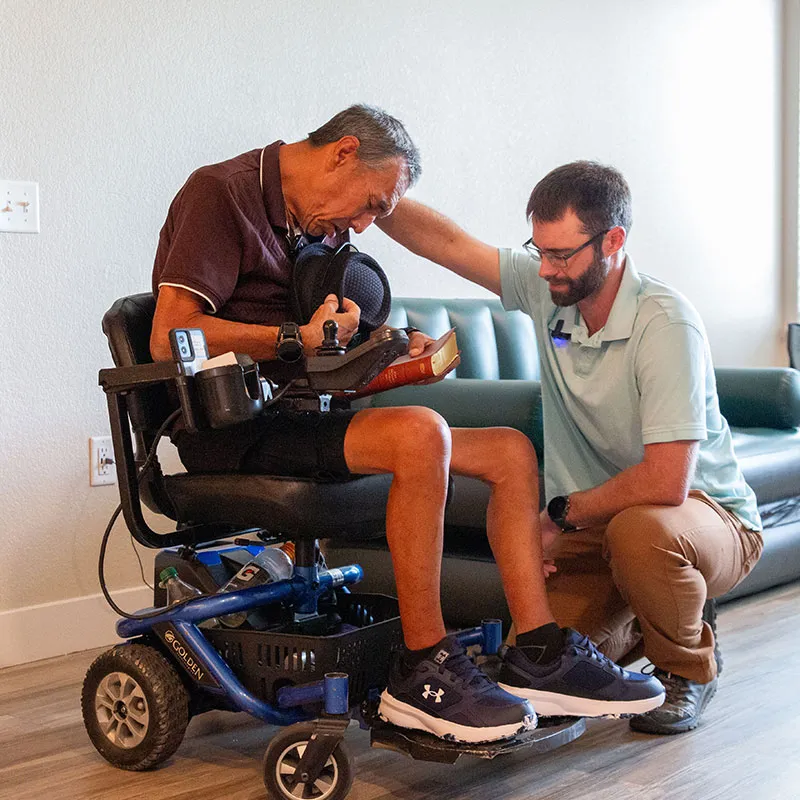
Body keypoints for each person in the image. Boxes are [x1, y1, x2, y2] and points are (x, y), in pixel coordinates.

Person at [150, 109, 664, 743]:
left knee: (507, 451)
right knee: (422, 433)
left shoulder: (317, 224)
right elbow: (168, 335)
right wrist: (293, 338)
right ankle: (422, 667)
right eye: (372, 203)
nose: (367, 224)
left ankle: (538, 652)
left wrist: (391, 355)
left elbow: (323, 355)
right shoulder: (221, 194)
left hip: (303, 416)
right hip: (232, 428)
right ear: (342, 153)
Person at [376, 160, 764, 734]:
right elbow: (448, 243)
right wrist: (374, 193)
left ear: (613, 241)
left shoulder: (665, 324)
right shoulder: (549, 288)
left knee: (641, 532)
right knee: (537, 664)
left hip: (704, 516)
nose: (547, 269)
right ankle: (658, 609)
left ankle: (688, 667)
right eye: (540, 250)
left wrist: (559, 515)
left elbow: (666, 482)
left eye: (562, 255)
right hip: (599, 525)